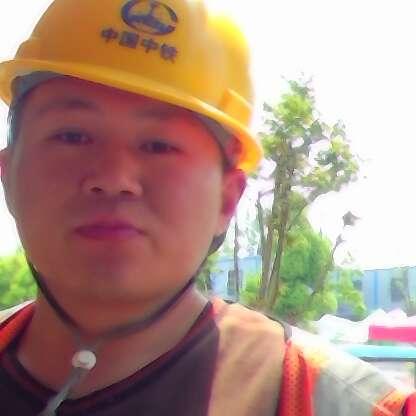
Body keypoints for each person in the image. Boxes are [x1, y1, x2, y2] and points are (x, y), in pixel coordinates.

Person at [0, 0, 414, 415]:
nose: (114, 177)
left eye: (158, 145)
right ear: (8, 174)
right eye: (72, 136)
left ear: (227, 198)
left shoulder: (351, 404)